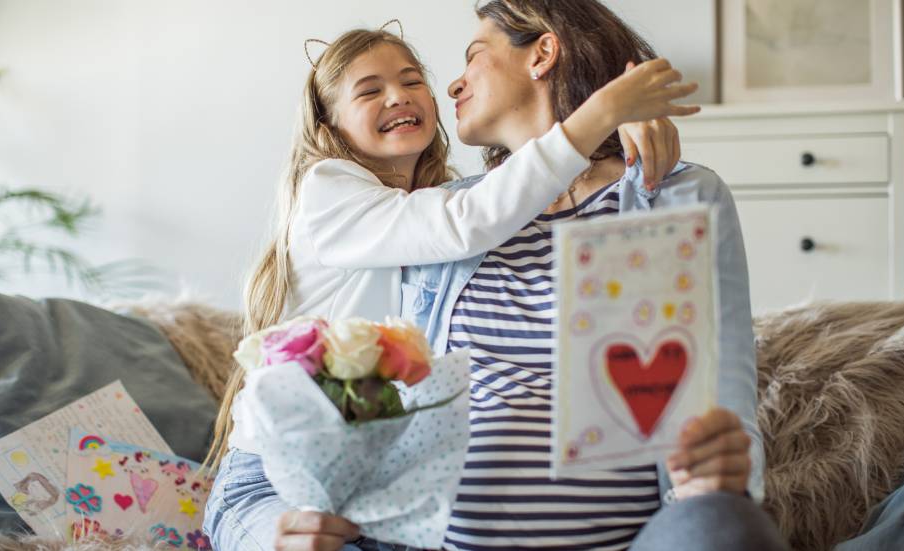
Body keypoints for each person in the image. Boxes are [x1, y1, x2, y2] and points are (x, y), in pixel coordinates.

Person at [252, 1, 792, 550]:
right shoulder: (440, 214)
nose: (453, 87)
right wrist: (606, 113)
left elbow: (722, 390)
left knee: (721, 526)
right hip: (443, 540)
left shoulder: (675, 195)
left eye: (472, 58)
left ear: (543, 52)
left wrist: (715, 490)